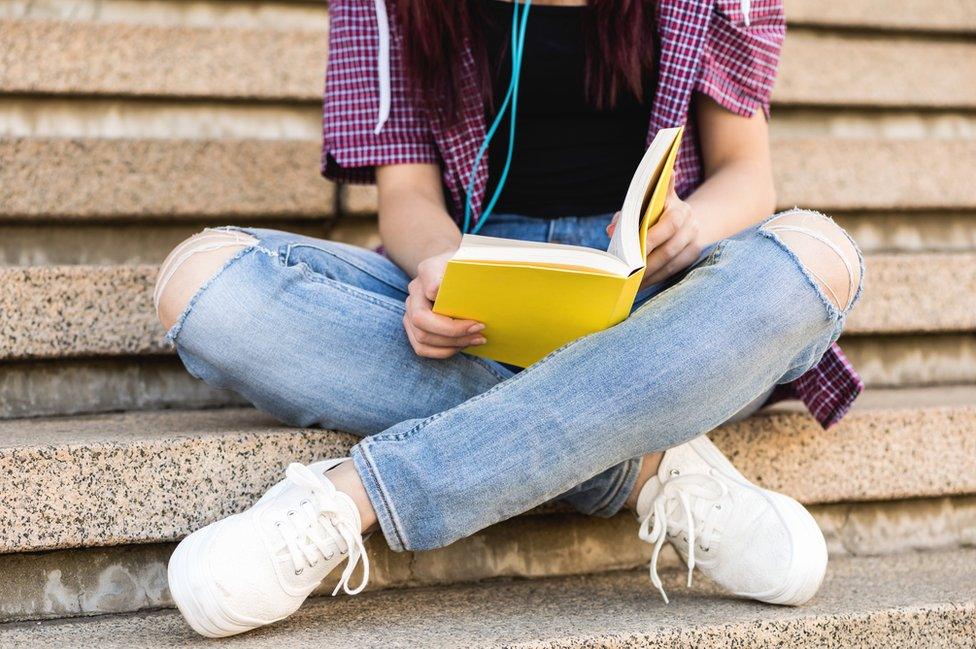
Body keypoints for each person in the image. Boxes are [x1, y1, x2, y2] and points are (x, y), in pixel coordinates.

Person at [155, 0, 864, 638]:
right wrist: (439, 265)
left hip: (654, 297)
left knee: (818, 257)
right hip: (475, 280)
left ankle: (359, 494)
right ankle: (639, 458)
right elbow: (405, 196)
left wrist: (692, 226)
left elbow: (748, 172)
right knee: (202, 283)